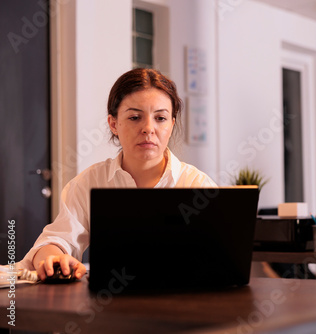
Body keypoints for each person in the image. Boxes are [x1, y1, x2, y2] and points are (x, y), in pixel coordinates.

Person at [18, 68, 217, 280]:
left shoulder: (198, 185)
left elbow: (218, 253)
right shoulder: (90, 183)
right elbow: (56, 241)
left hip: (184, 303)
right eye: (134, 117)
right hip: (108, 304)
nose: (148, 128)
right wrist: (53, 258)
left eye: (160, 118)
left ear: (171, 124)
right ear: (114, 124)